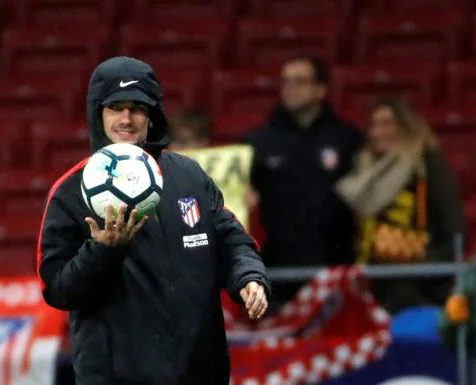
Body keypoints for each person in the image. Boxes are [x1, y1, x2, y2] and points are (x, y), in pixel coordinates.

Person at [36, 56, 270, 385]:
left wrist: (248, 277)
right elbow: (57, 290)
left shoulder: (189, 175)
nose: (127, 118)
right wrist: (102, 251)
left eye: (138, 107)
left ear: (153, 115)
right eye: (116, 107)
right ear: (97, 112)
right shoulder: (71, 191)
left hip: (201, 373)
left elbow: (232, 241)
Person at [246, 55, 364, 306]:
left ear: (320, 89)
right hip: (278, 267)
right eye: (286, 81)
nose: (290, 88)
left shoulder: (347, 139)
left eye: (300, 81)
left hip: (335, 262)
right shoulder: (258, 142)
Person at [336, 95, 466, 313]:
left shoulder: (427, 164)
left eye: (388, 123)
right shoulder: (363, 168)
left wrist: (416, 275)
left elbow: (453, 229)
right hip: (371, 282)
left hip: (418, 287)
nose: (378, 132)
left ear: (407, 126)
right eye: (374, 125)